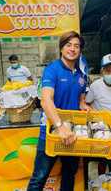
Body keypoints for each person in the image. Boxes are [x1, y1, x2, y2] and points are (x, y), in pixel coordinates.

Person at [27, 31, 90, 191]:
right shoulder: (52, 69)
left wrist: (83, 104)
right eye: (68, 45)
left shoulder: (82, 73)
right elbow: (46, 99)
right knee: (39, 177)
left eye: (76, 46)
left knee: (70, 173)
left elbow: (81, 98)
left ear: (80, 50)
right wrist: (60, 126)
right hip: (50, 131)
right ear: (61, 48)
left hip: (71, 133)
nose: (72, 49)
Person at [85, 53, 111, 175]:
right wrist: (95, 117)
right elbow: (87, 103)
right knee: (102, 157)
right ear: (102, 71)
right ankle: (102, 180)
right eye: (108, 71)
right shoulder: (95, 86)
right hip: (101, 125)